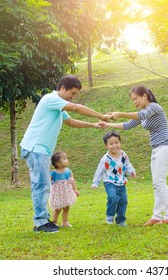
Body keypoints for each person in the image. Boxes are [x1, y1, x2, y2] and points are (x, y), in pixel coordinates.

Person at [20, 75, 110, 233]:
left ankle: (42, 220)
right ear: (62, 88)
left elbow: (71, 121)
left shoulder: (57, 106)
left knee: (42, 184)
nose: (73, 97)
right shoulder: (51, 99)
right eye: (73, 93)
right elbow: (76, 108)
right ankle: (40, 223)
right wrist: (100, 115)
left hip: (40, 150)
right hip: (35, 148)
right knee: (41, 185)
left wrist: (94, 125)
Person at [101, 86, 168, 226]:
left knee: (159, 183)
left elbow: (140, 116)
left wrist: (121, 113)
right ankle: (157, 216)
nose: (134, 101)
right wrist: (108, 123)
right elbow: (127, 125)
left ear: (144, 96)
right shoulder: (143, 112)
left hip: (165, 147)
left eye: (136, 98)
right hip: (156, 149)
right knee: (156, 184)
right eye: (133, 100)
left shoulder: (154, 107)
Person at [91, 131, 136, 227]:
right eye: (111, 144)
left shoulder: (123, 154)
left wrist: (131, 171)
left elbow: (127, 164)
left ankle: (120, 220)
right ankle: (110, 214)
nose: (114, 145)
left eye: (116, 143)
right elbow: (99, 171)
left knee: (123, 200)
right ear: (106, 146)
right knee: (113, 198)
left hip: (121, 181)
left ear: (120, 142)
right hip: (110, 182)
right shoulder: (105, 159)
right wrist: (95, 183)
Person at [49, 151, 79, 227]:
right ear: (58, 163)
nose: (67, 160)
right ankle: (54, 223)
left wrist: (75, 190)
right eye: (65, 159)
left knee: (66, 208)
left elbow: (72, 181)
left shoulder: (68, 171)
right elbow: (48, 181)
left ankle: (65, 222)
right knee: (58, 209)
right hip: (58, 194)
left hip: (66, 193)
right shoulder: (53, 173)